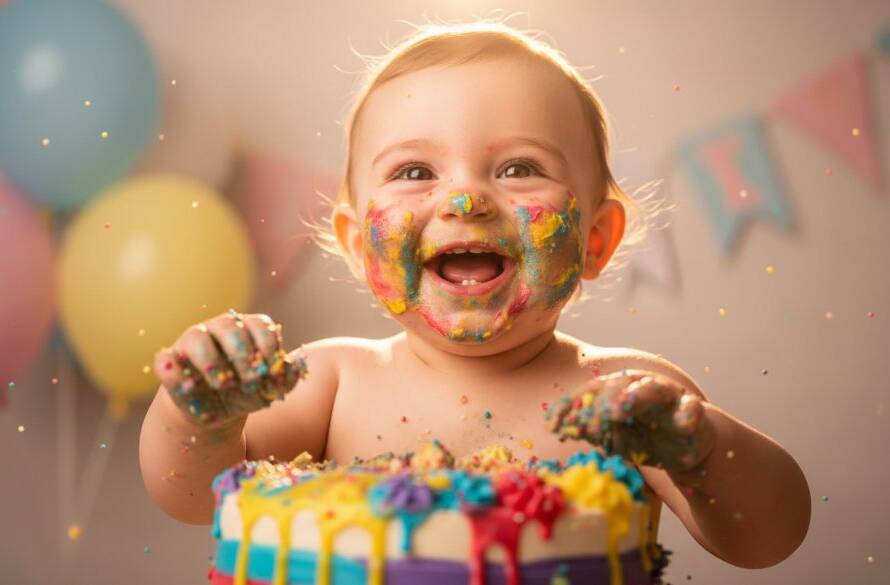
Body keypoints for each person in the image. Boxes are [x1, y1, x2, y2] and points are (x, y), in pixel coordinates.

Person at [139, 20, 810, 570]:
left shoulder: (627, 397)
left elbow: (768, 536)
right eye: (414, 171)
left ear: (597, 239)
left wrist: (698, 449)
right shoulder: (331, 382)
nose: (465, 199)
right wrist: (201, 415)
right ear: (354, 241)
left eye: (519, 167)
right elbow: (194, 494)